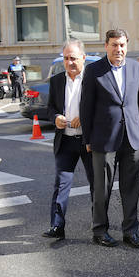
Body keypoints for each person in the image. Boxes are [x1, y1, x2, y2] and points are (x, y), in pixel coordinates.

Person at [80, 29, 139, 249]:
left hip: (132, 139)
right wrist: (88, 139)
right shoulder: (93, 70)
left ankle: (131, 231)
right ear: (106, 46)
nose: (119, 49)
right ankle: (100, 230)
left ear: (127, 44)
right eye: (114, 45)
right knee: (102, 189)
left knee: (132, 188)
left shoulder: (137, 68)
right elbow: (86, 107)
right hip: (103, 140)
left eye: (122, 45)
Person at [42, 40, 93, 240]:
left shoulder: (92, 79)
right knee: (61, 184)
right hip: (65, 141)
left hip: (88, 142)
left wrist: (85, 116)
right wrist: (55, 118)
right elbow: (50, 108)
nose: (69, 62)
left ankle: (99, 223)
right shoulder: (56, 81)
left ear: (83, 58)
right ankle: (57, 226)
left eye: (73, 58)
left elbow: (101, 109)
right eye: (66, 58)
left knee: (96, 184)